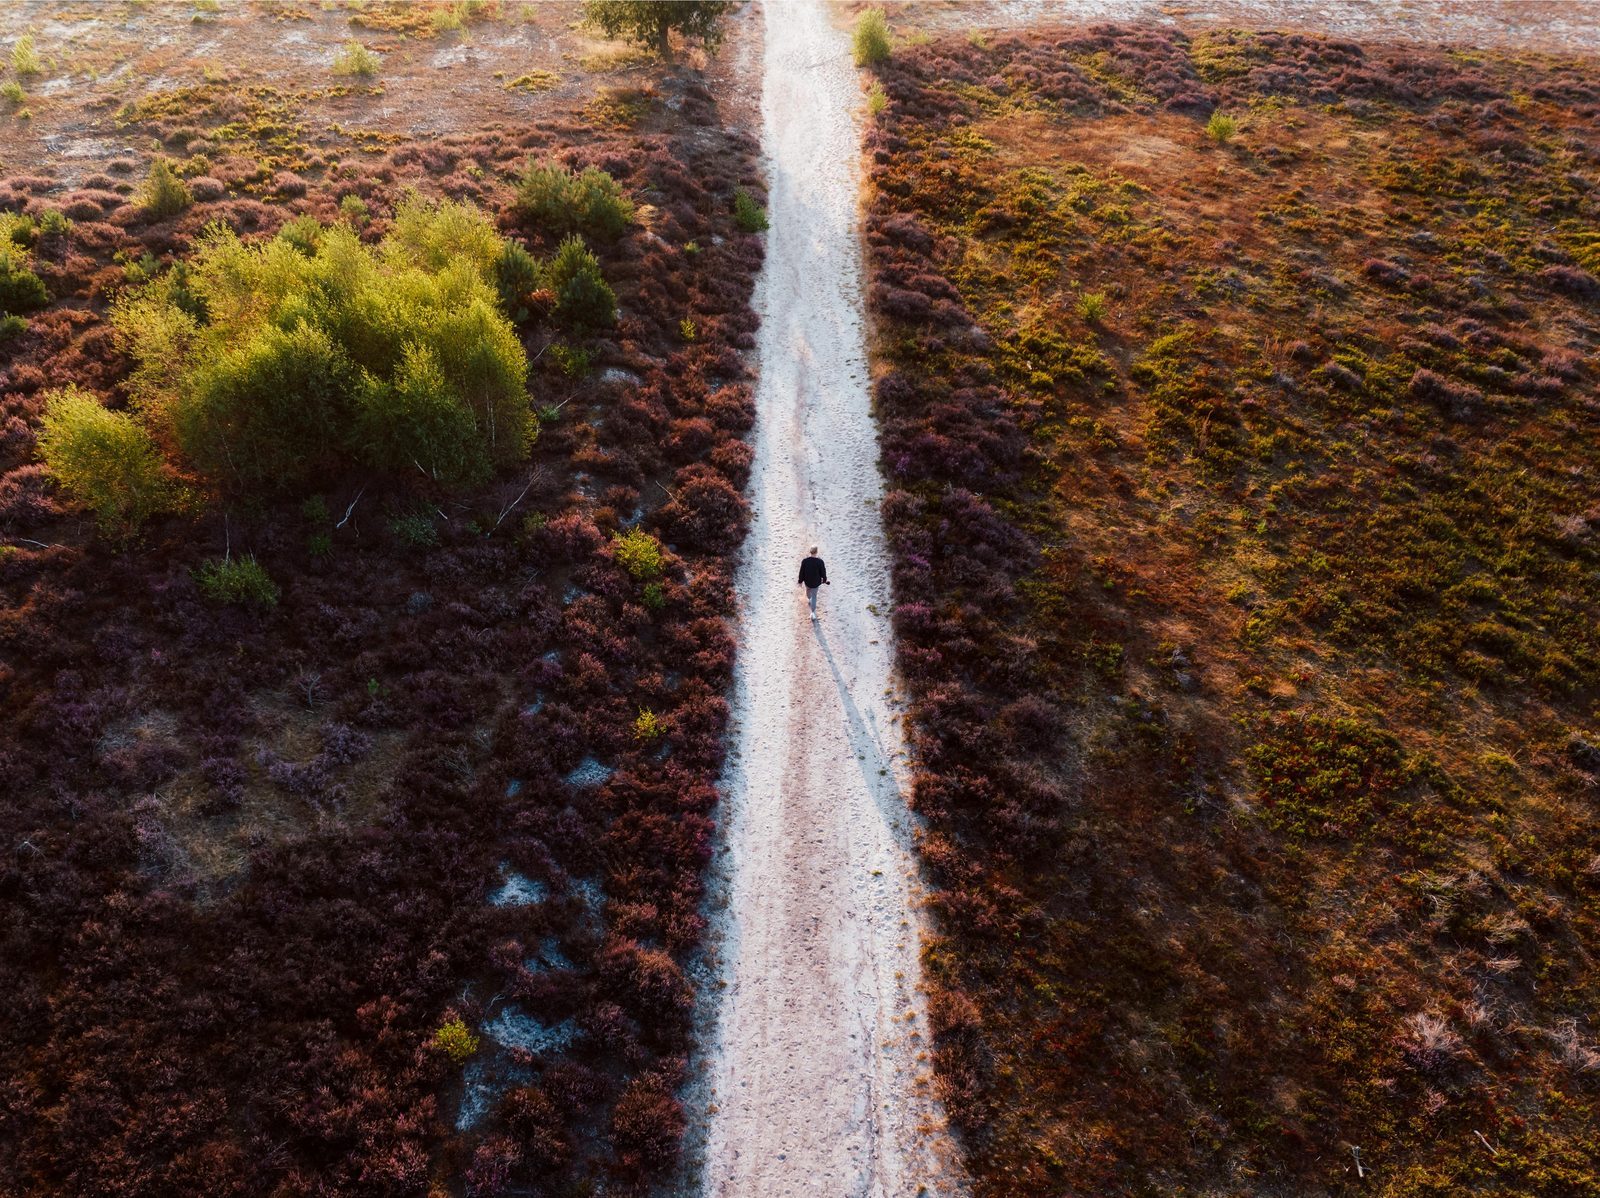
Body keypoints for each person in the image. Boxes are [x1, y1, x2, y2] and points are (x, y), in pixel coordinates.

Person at [797, 546, 829, 619]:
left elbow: (801, 572)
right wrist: (824, 580)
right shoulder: (820, 562)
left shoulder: (805, 561)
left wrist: (800, 581)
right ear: (816, 552)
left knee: (808, 594)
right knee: (814, 596)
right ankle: (813, 613)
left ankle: (810, 601)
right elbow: (823, 572)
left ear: (810, 551)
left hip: (807, 582)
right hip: (816, 583)